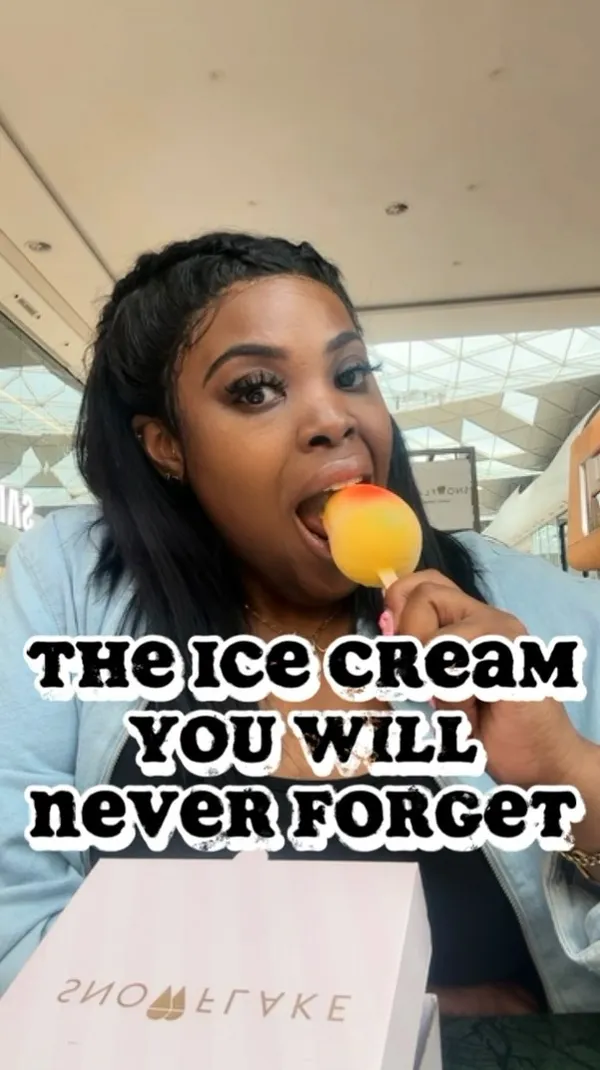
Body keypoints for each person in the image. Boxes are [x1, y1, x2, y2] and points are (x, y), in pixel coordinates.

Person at [0, 232, 599, 1016]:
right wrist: (399, 1015)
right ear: (166, 445)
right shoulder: (70, 583)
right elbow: (18, 930)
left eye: (352, 374)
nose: (333, 418)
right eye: (255, 389)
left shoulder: (544, 610)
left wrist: (567, 773)